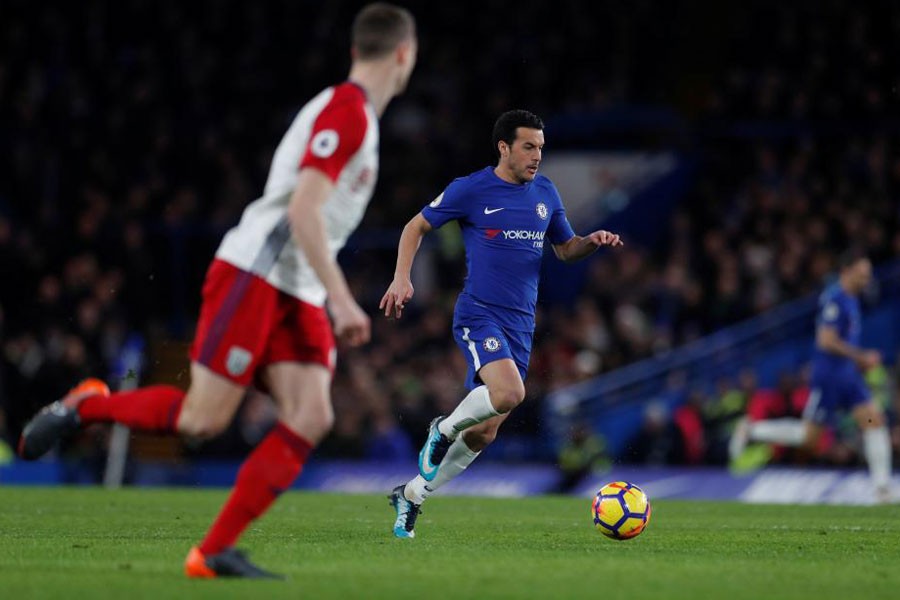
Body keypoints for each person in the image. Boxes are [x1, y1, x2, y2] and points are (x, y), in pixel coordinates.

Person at [17, 3, 417, 578]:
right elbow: (303, 210)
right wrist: (342, 297)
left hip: (295, 284)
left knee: (311, 414)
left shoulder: (359, 118)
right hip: (256, 271)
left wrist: (320, 290)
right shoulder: (347, 111)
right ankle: (89, 407)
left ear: (358, 50)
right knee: (203, 421)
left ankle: (211, 552)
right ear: (404, 54)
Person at [379, 109, 623, 538]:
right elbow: (415, 226)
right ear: (504, 147)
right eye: (529, 147)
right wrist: (402, 277)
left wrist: (590, 242)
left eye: (541, 148)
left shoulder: (545, 192)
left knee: (487, 432)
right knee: (509, 392)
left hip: (521, 325)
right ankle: (443, 427)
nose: (537, 157)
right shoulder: (471, 189)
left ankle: (412, 495)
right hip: (479, 313)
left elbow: (565, 250)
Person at [729, 249, 894, 502]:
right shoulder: (835, 299)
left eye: (867, 274)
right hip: (829, 377)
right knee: (810, 438)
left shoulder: (852, 299)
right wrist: (860, 357)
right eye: (862, 274)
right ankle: (751, 429)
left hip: (847, 376)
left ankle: (882, 489)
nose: (866, 279)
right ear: (846, 271)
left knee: (873, 420)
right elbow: (826, 340)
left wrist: (856, 362)